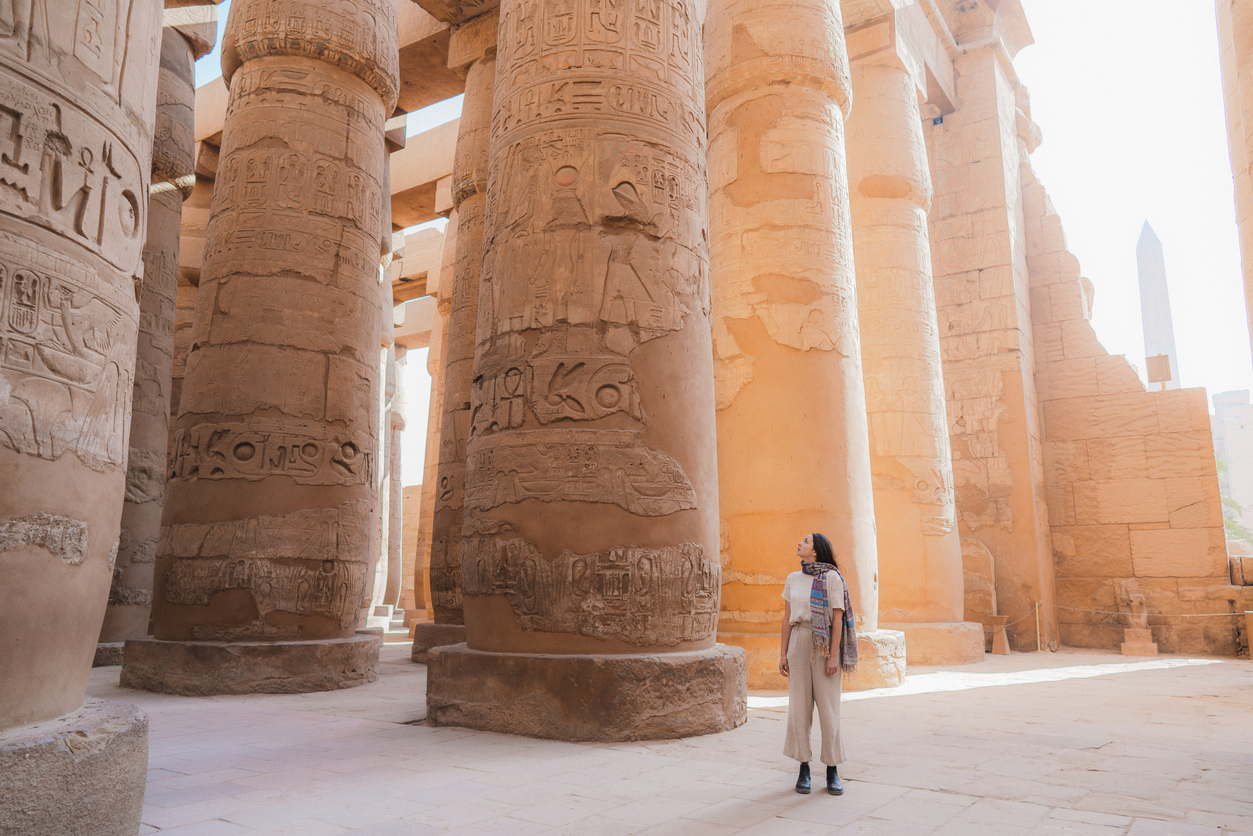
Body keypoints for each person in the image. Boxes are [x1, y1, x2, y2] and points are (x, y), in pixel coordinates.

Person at [779, 532, 857, 795]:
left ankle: (832, 769)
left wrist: (833, 655)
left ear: (815, 551)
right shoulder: (793, 579)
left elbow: (837, 619)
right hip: (799, 641)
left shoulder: (832, 578)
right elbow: (787, 618)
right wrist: (782, 654)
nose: (799, 543)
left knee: (828, 710)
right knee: (799, 708)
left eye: (805, 541)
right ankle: (803, 767)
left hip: (824, 646)